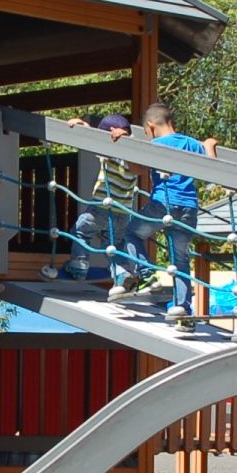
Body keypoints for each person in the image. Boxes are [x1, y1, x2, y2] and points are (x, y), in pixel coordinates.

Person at [44, 113, 147, 292]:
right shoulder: (135, 156)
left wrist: (81, 125)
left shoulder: (111, 150)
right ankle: (123, 275)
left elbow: (90, 138)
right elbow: (142, 169)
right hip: (123, 213)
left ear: (111, 133)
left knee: (80, 231)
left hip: (100, 208)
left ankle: (79, 266)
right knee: (113, 247)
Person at [135, 103, 210, 329]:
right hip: (189, 207)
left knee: (132, 233)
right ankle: (183, 309)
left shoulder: (154, 145)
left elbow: (136, 169)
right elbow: (210, 164)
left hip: (162, 203)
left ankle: (146, 274)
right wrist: (209, 145)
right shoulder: (190, 143)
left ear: (150, 126)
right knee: (180, 259)